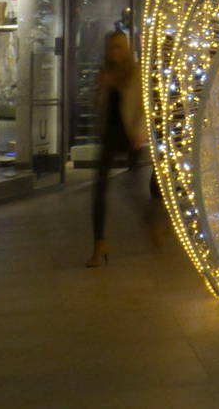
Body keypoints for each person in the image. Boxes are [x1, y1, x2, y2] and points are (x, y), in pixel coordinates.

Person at [88, 30, 147, 267]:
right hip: (110, 135)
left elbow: (143, 106)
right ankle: (98, 243)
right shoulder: (105, 72)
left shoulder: (135, 72)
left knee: (130, 185)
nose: (114, 53)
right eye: (111, 48)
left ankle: (149, 219)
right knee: (99, 189)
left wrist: (140, 134)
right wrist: (100, 88)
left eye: (118, 48)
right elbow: (98, 105)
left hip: (129, 133)